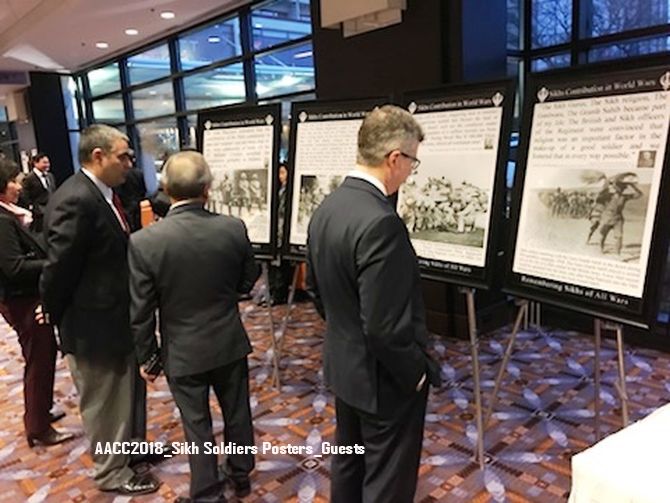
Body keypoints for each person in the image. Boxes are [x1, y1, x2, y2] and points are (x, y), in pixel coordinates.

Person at [306, 105, 441, 503]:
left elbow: (317, 291)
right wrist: (416, 373)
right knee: (387, 479)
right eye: (412, 162)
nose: (410, 172)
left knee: (349, 462)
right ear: (394, 158)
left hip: (345, 366)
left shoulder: (327, 208)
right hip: (384, 379)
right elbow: (384, 327)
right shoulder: (381, 221)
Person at [128, 151, 259, 503]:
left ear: (167, 189)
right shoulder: (233, 227)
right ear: (208, 188)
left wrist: (148, 358)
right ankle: (241, 474)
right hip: (229, 341)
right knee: (237, 411)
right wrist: (228, 294)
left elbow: (141, 311)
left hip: (182, 349)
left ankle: (206, 492)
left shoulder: (144, 242)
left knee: (196, 423)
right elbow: (251, 276)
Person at [40, 125, 160, 496]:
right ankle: (111, 473)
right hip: (93, 326)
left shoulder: (105, 193)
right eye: (123, 156)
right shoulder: (75, 199)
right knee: (106, 401)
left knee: (129, 392)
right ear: (98, 156)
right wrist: (53, 312)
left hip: (117, 317)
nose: (129, 163)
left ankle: (132, 451)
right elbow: (58, 267)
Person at [0, 159, 73, 447]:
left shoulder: (10, 215)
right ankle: (38, 428)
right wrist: (53, 262)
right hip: (22, 300)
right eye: (12, 182)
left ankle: (40, 413)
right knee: (39, 359)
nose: (18, 187)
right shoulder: (3, 221)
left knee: (42, 355)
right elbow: (14, 267)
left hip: (22, 298)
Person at [21, 153, 56, 233]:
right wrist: (33, 207)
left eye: (48, 162)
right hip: (39, 215)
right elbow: (25, 195)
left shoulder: (50, 176)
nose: (47, 165)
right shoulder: (29, 178)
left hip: (52, 211)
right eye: (44, 162)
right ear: (36, 163)